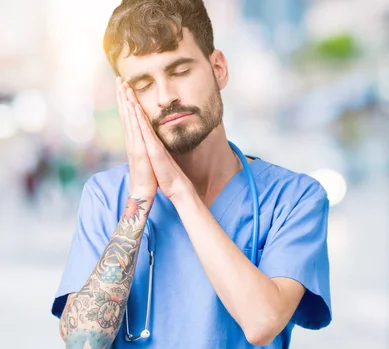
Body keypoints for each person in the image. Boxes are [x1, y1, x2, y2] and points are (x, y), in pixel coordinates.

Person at [51, 1, 332, 348]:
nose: (166, 96)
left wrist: (177, 190)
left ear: (218, 68)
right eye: (143, 84)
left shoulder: (294, 198)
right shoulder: (107, 195)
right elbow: (81, 342)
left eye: (180, 71)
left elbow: (262, 323)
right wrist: (139, 200)